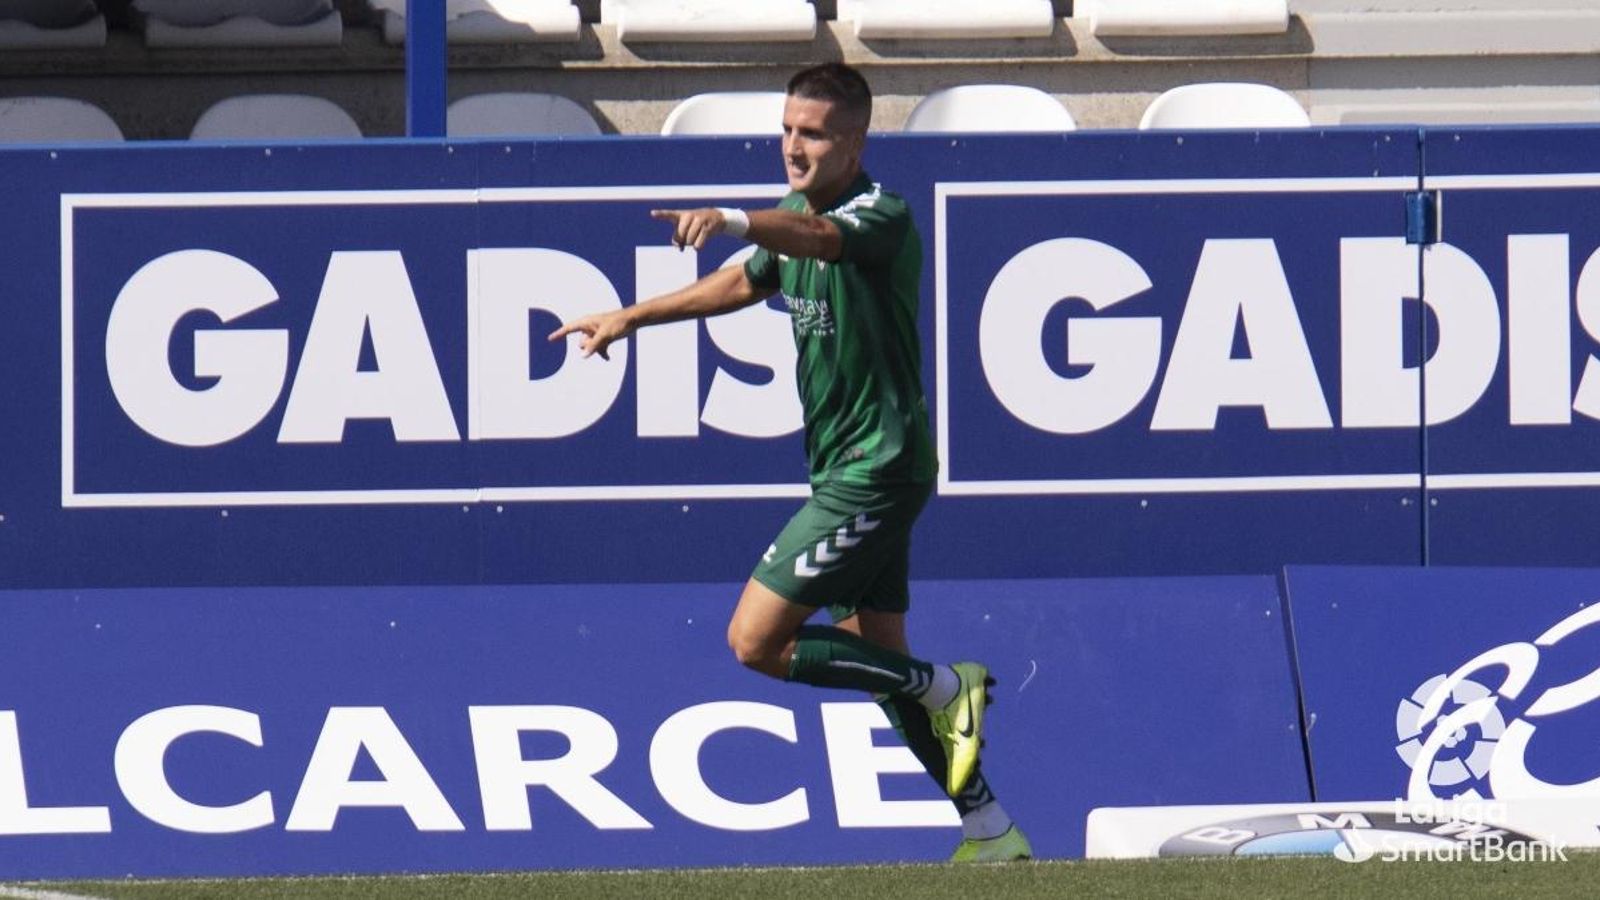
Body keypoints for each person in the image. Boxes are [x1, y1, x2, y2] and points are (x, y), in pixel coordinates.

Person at [549, 62, 1029, 863]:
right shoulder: (797, 216)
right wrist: (628, 317)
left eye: (812, 133)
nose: (792, 147)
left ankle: (951, 688)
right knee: (872, 647)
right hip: (849, 467)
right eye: (786, 129)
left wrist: (734, 215)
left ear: (855, 142)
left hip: (877, 469)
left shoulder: (879, 214)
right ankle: (989, 826)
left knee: (756, 641)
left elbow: (810, 239)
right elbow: (742, 282)